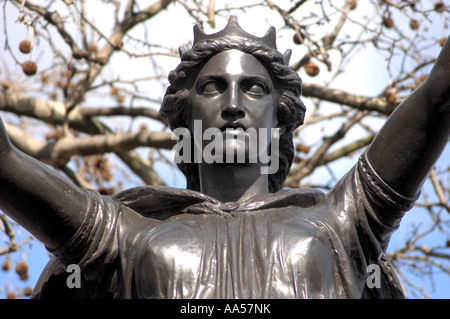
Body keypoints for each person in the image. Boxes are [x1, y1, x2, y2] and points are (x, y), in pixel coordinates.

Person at [0, 16, 448, 299]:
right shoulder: (126, 235)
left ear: (280, 121)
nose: (233, 104)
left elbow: (440, 95)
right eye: (212, 87)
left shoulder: (339, 222)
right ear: (185, 115)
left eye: (254, 89)